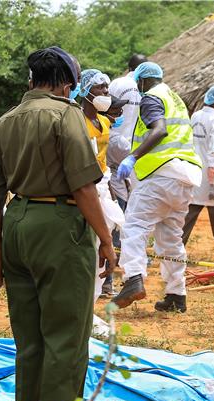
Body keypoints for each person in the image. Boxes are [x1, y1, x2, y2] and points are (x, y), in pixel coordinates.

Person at [0, 46, 116, 401]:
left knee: (30, 342)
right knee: (66, 340)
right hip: (60, 226)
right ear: (65, 83)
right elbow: (84, 187)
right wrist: (107, 241)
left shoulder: (4, 122)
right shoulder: (66, 116)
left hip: (15, 222)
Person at [111, 62, 202, 313]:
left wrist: (134, 156)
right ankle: (176, 294)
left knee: (134, 226)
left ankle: (133, 279)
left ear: (141, 82)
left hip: (160, 175)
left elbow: (159, 130)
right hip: (184, 177)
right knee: (171, 236)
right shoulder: (175, 98)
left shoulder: (151, 98)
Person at [79, 68, 125, 308]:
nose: (106, 92)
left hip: (103, 189)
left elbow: (104, 164)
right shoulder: (77, 121)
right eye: (100, 87)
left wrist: (113, 197)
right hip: (83, 190)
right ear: (86, 90)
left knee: (100, 247)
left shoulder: (105, 122)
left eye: (107, 87)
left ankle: (92, 302)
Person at [182, 85, 214, 262]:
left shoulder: (196, 116)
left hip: (194, 171)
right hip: (211, 176)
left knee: (189, 214)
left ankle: (175, 251)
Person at [107, 54, 147, 203]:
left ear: (129, 68)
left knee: (115, 186)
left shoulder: (117, 83)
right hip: (135, 149)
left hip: (111, 141)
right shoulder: (146, 88)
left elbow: (105, 105)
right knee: (133, 192)